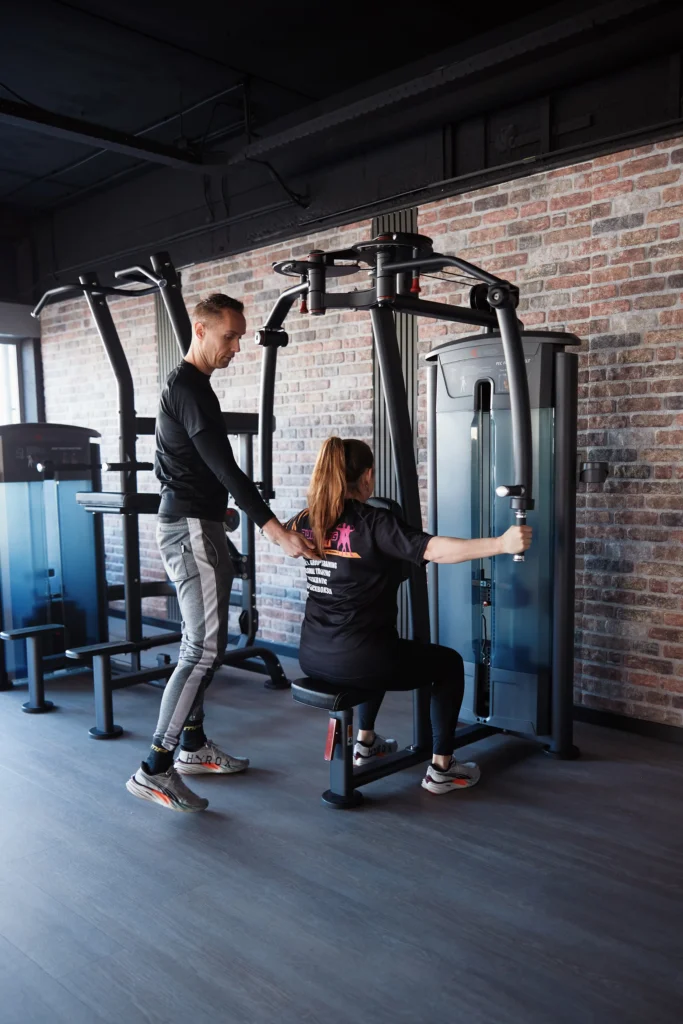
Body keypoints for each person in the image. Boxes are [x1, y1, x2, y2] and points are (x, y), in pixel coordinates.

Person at [126, 293, 314, 813]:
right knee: (202, 650)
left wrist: (220, 513)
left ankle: (192, 746)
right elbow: (226, 467)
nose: (237, 347)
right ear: (202, 331)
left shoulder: (190, 387)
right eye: (230, 336)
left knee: (200, 644)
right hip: (189, 527)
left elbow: (190, 466)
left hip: (197, 521)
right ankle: (154, 769)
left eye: (239, 337)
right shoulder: (189, 387)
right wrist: (274, 531)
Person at [287, 437, 532, 795]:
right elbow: (434, 550)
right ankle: (442, 769)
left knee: (383, 648)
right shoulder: (373, 522)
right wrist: (501, 544)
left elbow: (279, 534)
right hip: (361, 657)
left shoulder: (307, 519)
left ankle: (366, 744)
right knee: (445, 664)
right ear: (368, 477)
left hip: (311, 654)